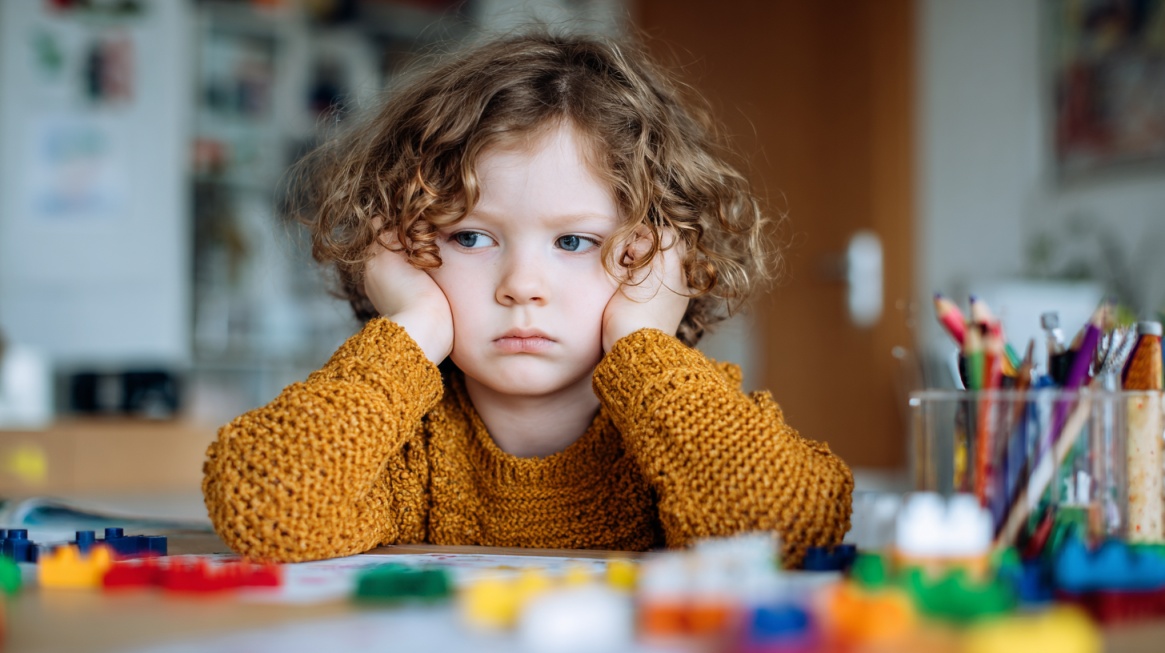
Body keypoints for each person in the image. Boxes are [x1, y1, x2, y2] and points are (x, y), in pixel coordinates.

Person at [202, 30, 853, 566]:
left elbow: (786, 534)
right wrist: (415, 325)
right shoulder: (402, 445)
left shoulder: (682, 417)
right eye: (471, 236)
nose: (520, 284)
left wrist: (642, 344)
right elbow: (264, 506)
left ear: (654, 259)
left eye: (573, 240)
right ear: (398, 246)